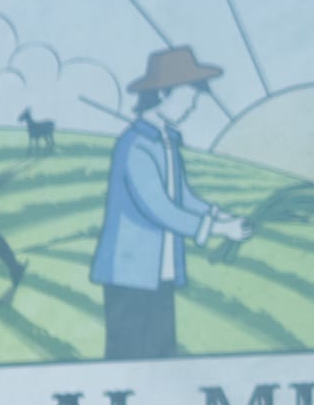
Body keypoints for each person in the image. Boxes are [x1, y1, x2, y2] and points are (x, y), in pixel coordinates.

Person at [91, 46, 250, 358]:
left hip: (158, 271)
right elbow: (159, 207)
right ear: (163, 93)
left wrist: (219, 214)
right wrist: (218, 229)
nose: (191, 106)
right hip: (130, 274)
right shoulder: (136, 145)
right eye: (188, 96)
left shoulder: (166, 141)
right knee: (128, 358)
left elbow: (183, 196)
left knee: (161, 357)